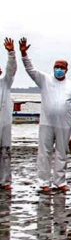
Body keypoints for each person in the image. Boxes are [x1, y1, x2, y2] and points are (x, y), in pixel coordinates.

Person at [20, 38, 71, 194]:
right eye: (56, 67)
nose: (58, 69)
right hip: (46, 123)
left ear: (66, 70)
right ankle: (43, 182)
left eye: (61, 67)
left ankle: (60, 182)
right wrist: (24, 54)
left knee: (62, 152)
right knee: (44, 153)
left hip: (64, 124)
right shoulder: (45, 79)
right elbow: (30, 70)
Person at [0, 38, 16, 191]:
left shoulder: (5, 83)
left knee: (5, 151)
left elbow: (11, 70)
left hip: (4, 123)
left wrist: (11, 53)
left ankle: (5, 181)